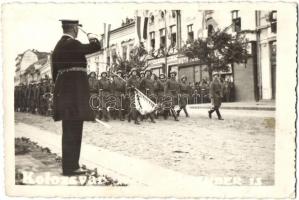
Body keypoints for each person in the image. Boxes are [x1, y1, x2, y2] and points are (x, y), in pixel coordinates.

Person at [51, 19, 102, 176]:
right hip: (75, 97)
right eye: (77, 28)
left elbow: (54, 75)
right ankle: (72, 167)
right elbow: (96, 47)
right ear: (74, 28)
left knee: (68, 132)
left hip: (65, 96)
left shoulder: (58, 47)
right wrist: (93, 36)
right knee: (75, 131)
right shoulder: (72, 43)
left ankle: (69, 166)